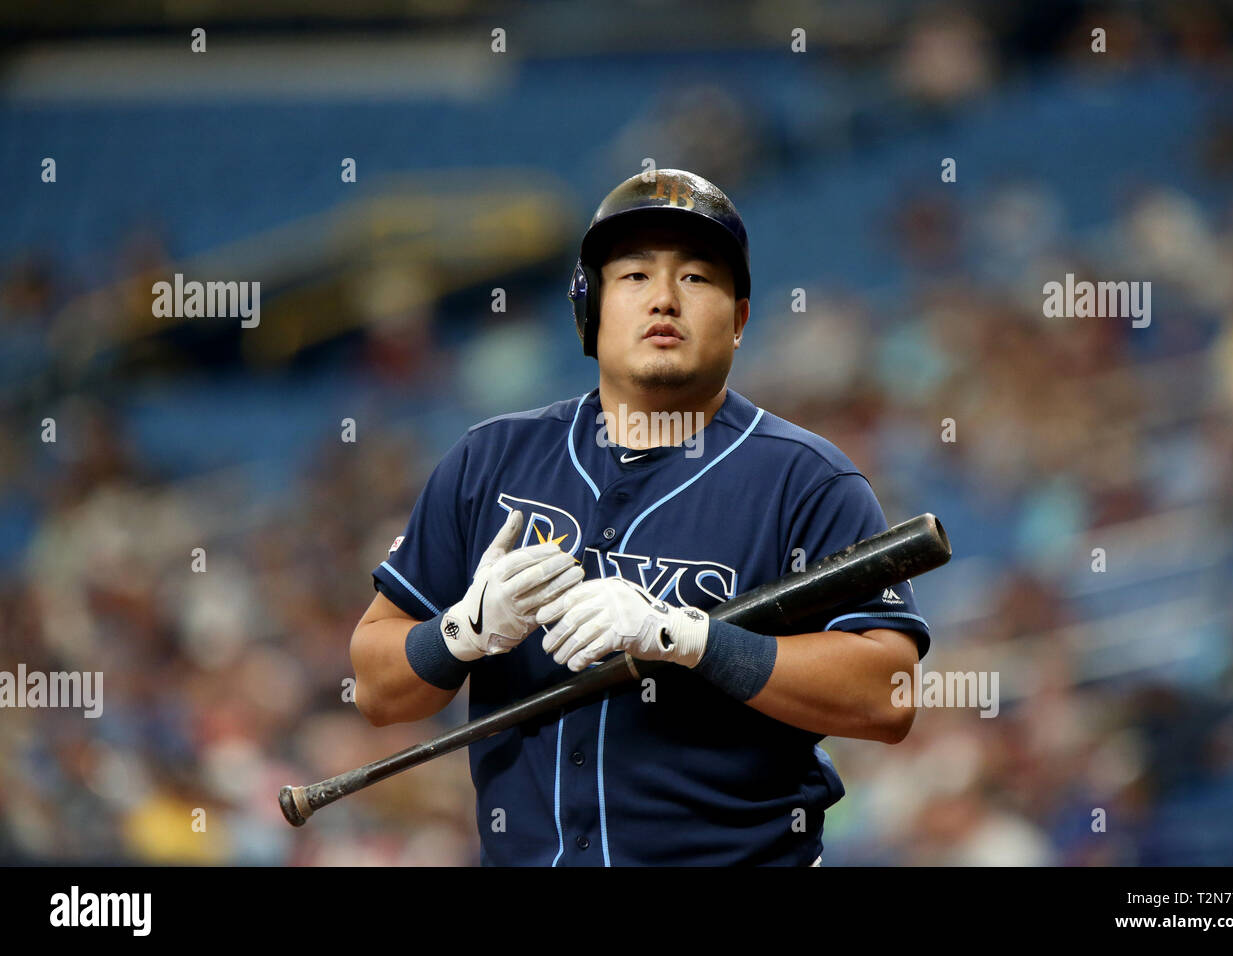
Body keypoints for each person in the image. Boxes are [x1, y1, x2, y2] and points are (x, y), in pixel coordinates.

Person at [351, 169, 931, 866]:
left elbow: (888, 697)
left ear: (741, 319)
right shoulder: (489, 460)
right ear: (589, 309)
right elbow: (377, 690)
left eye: (696, 279)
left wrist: (689, 638)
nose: (663, 299)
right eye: (632, 276)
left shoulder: (809, 482)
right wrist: (463, 632)